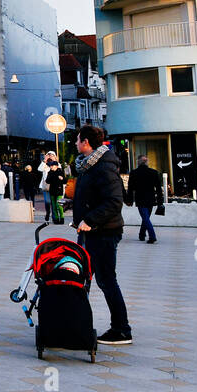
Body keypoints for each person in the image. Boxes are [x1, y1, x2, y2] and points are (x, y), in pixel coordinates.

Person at [72, 125, 131, 346]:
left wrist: (90, 219)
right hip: (91, 232)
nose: (75, 144)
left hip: (103, 233)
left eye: (77, 140)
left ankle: (121, 329)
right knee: (84, 278)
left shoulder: (103, 165)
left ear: (86, 142)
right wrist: (75, 204)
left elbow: (114, 201)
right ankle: (78, 323)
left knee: (106, 281)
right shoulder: (90, 165)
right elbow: (96, 196)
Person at [127, 155, 163, 245]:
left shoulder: (134, 173)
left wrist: (129, 200)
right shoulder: (154, 172)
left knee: (145, 218)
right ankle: (142, 234)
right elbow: (158, 189)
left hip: (140, 199)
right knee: (146, 217)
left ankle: (152, 236)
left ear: (138, 162)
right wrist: (160, 202)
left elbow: (130, 188)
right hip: (151, 199)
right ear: (147, 162)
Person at [40, 153, 65, 222]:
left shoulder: (60, 171)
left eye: (52, 166)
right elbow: (48, 181)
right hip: (52, 191)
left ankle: (62, 218)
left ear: (56, 166)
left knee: (59, 205)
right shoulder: (50, 173)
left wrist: (62, 179)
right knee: (53, 206)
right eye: (51, 166)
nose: (51, 167)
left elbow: (65, 181)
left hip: (59, 191)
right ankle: (56, 219)